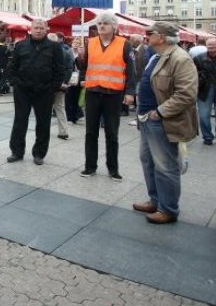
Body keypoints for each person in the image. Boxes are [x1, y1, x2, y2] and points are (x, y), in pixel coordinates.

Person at [133, 21, 198, 224]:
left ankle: (168, 209)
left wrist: (160, 112)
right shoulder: (156, 56)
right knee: (148, 161)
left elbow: (187, 94)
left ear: (161, 36)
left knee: (165, 166)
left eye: (149, 33)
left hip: (162, 120)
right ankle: (155, 200)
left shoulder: (180, 58)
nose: (146, 36)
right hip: (146, 119)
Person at [79, 12, 136, 180]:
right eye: (99, 23)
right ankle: (90, 167)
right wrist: (81, 69)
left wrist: (130, 92)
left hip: (113, 94)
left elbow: (131, 71)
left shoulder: (124, 44)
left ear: (114, 27)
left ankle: (113, 169)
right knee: (91, 132)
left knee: (112, 133)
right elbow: (84, 66)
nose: (102, 26)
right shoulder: (90, 43)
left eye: (105, 23)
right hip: (93, 92)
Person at [5, 19, 64, 165]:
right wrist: (15, 83)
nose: (38, 30)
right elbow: (12, 67)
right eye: (36, 28)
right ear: (30, 29)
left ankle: (39, 153)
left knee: (43, 123)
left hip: (44, 91)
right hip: (23, 90)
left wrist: (53, 87)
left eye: (41, 28)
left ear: (47, 29)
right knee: (20, 121)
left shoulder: (54, 47)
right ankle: (17, 152)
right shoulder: (20, 45)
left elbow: (59, 70)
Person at [48, 33, 74, 140]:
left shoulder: (46, 52)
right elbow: (69, 69)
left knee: (45, 109)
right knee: (60, 108)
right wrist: (65, 82)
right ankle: (63, 132)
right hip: (61, 85)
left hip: (48, 85)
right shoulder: (66, 52)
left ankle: (44, 131)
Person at [193, 37, 216, 145]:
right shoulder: (198, 58)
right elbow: (192, 73)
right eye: (209, 46)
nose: (211, 48)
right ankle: (207, 137)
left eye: (214, 46)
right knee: (203, 115)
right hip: (205, 89)